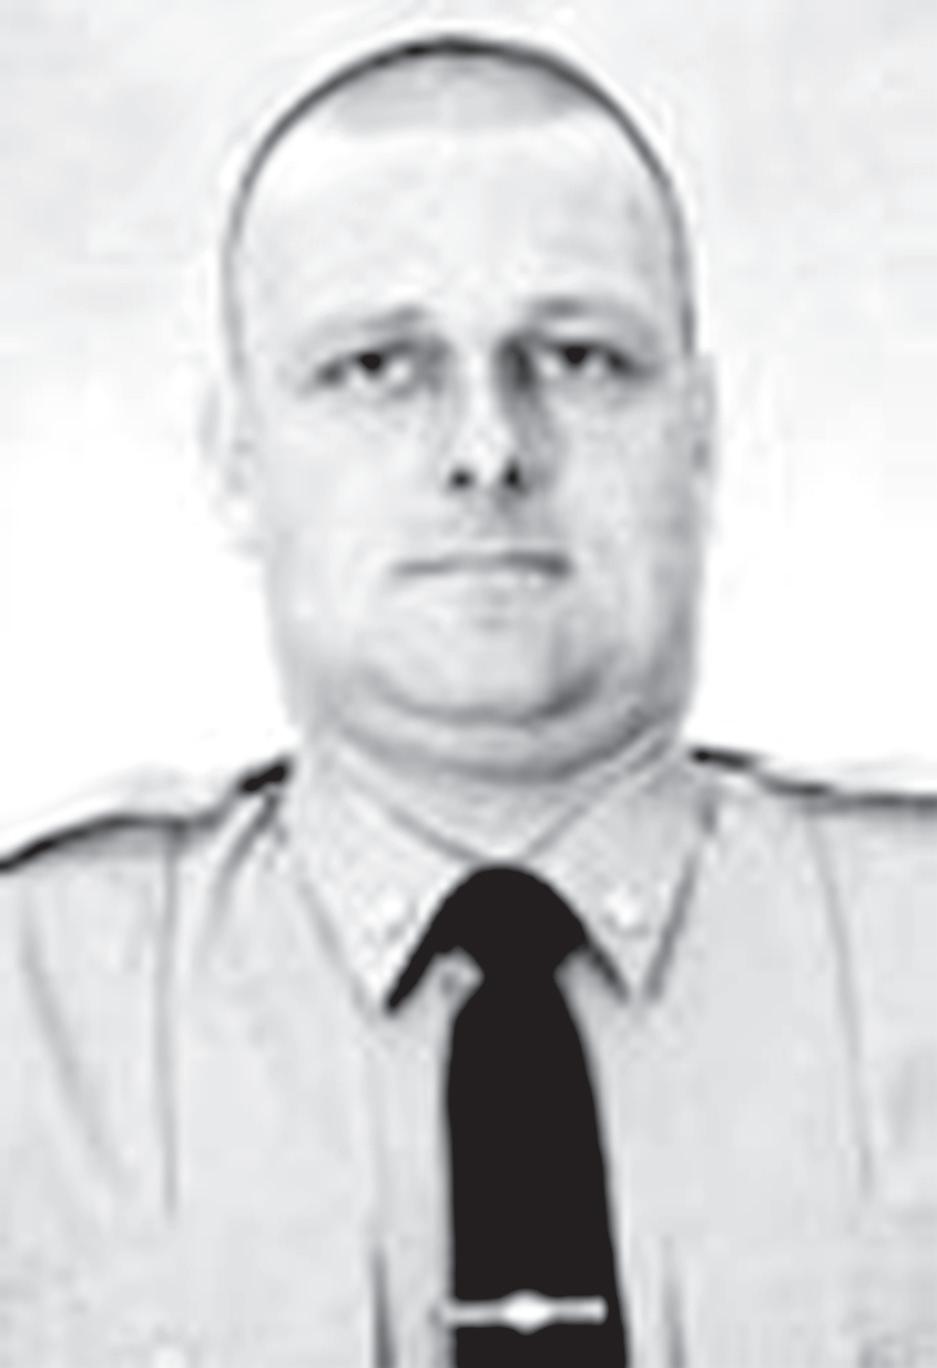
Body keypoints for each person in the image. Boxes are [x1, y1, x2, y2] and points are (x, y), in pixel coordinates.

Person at [1, 32, 935, 1368]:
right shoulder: (28, 1016)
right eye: (379, 368)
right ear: (236, 459)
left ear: (701, 433)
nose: (489, 448)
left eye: (579, 358)